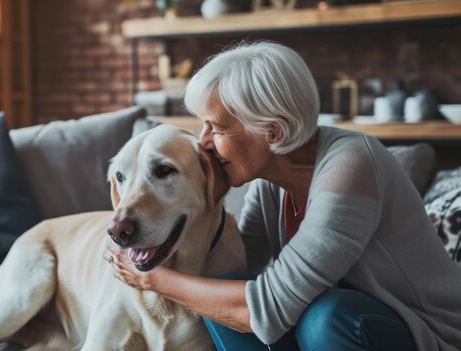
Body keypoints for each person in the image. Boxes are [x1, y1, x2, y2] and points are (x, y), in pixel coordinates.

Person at [105, 41, 461, 351]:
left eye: (216, 127)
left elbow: (265, 309)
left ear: (272, 130)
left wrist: (154, 280)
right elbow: (248, 274)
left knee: (326, 317)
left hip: (427, 335)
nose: (203, 141)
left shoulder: (352, 165)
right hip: (345, 324)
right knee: (225, 288)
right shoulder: (266, 181)